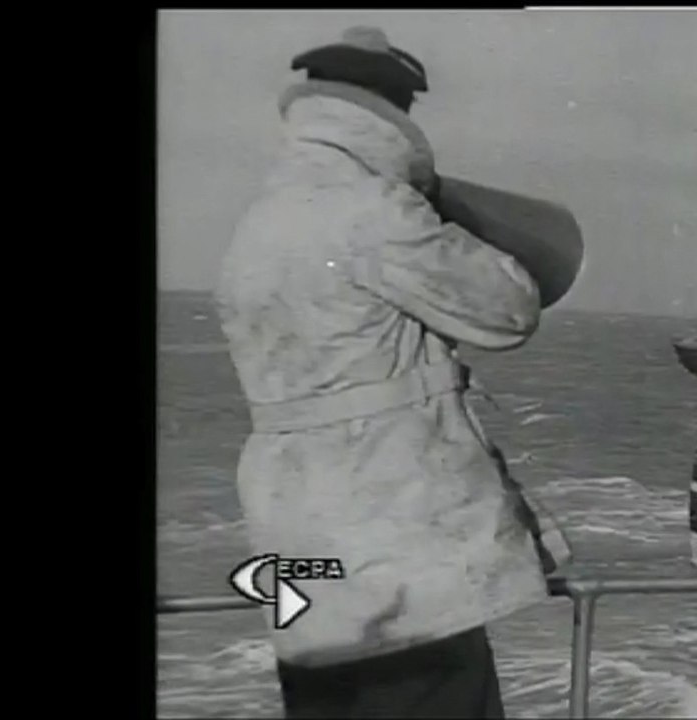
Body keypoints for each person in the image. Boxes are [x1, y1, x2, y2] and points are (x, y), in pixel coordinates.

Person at [214, 27, 570, 718]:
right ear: (393, 112)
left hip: (296, 531)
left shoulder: (258, 220)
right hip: (396, 536)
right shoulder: (376, 210)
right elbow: (508, 312)